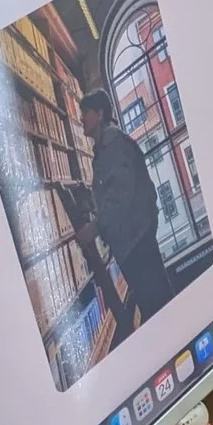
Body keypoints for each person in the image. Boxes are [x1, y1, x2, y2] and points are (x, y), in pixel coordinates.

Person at [79, 88, 169, 329]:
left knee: (157, 306)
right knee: (154, 303)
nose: (81, 118)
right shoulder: (104, 149)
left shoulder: (113, 146)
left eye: (85, 112)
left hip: (137, 240)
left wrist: (95, 228)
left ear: (99, 114)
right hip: (132, 240)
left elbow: (120, 196)